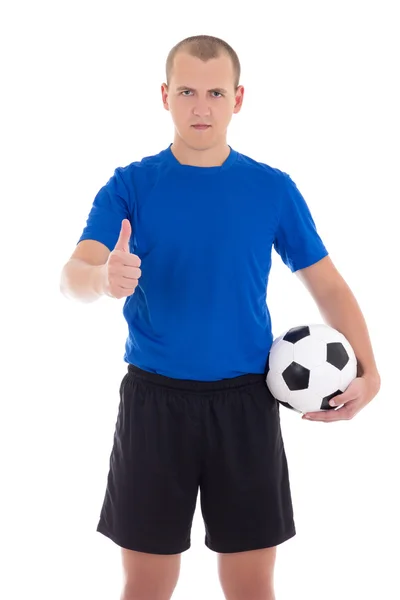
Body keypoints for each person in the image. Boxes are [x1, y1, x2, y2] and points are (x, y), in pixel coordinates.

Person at [60, 34, 381, 600]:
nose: (200, 106)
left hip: (245, 404)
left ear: (238, 99)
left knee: (252, 584)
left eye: (214, 92)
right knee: (146, 583)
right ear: (165, 96)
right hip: (154, 403)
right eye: (186, 91)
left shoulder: (271, 188)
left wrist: (369, 370)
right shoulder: (130, 185)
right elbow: (74, 272)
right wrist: (101, 278)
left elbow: (326, 282)